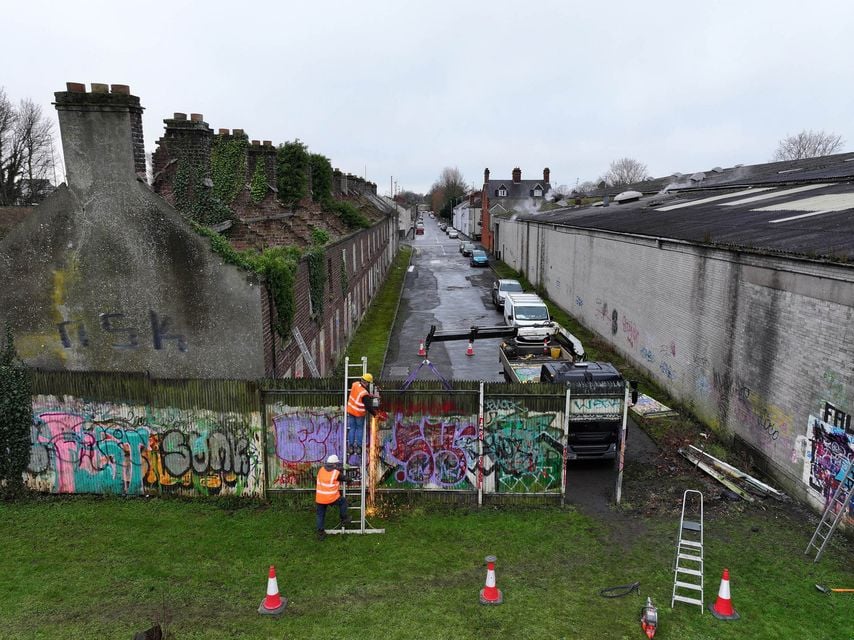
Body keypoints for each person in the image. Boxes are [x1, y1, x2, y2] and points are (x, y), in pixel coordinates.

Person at [315, 454, 350, 540]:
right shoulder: (336, 473)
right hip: (331, 498)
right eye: (337, 464)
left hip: (320, 498)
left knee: (320, 515)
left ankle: (320, 533)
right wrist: (351, 479)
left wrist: (340, 468)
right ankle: (344, 518)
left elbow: (329, 472)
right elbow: (345, 478)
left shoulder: (321, 470)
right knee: (343, 502)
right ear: (334, 464)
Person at [346, 372, 375, 455]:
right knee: (359, 429)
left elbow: (358, 393)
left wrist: (369, 395)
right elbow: (368, 406)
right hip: (359, 413)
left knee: (352, 429)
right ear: (367, 382)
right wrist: (375, 414)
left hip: (351, 411)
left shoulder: (355, 384)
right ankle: (358, 447)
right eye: (369, 383)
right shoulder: (364, 393)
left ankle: (350, 447)